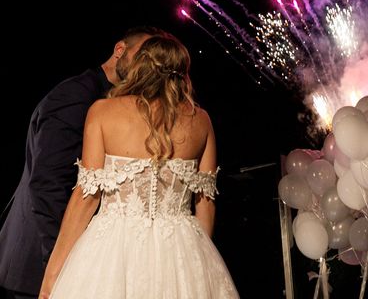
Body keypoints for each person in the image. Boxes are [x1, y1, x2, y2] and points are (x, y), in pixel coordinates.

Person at [39, 34, 239, 298]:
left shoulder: (102, 112)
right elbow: (205, 202)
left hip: (112, 248)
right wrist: (199, 265)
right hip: (179, 247)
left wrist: (52, 275)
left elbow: (85, 198)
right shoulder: (201, 120)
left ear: (141, 66)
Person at [0, 26, 163, 299]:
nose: (149, 66)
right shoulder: (77, 96)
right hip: (39, 263)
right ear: (119, 50)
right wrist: (62, 262)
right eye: (143, 55)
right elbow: (48, 183)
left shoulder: (115, 102)